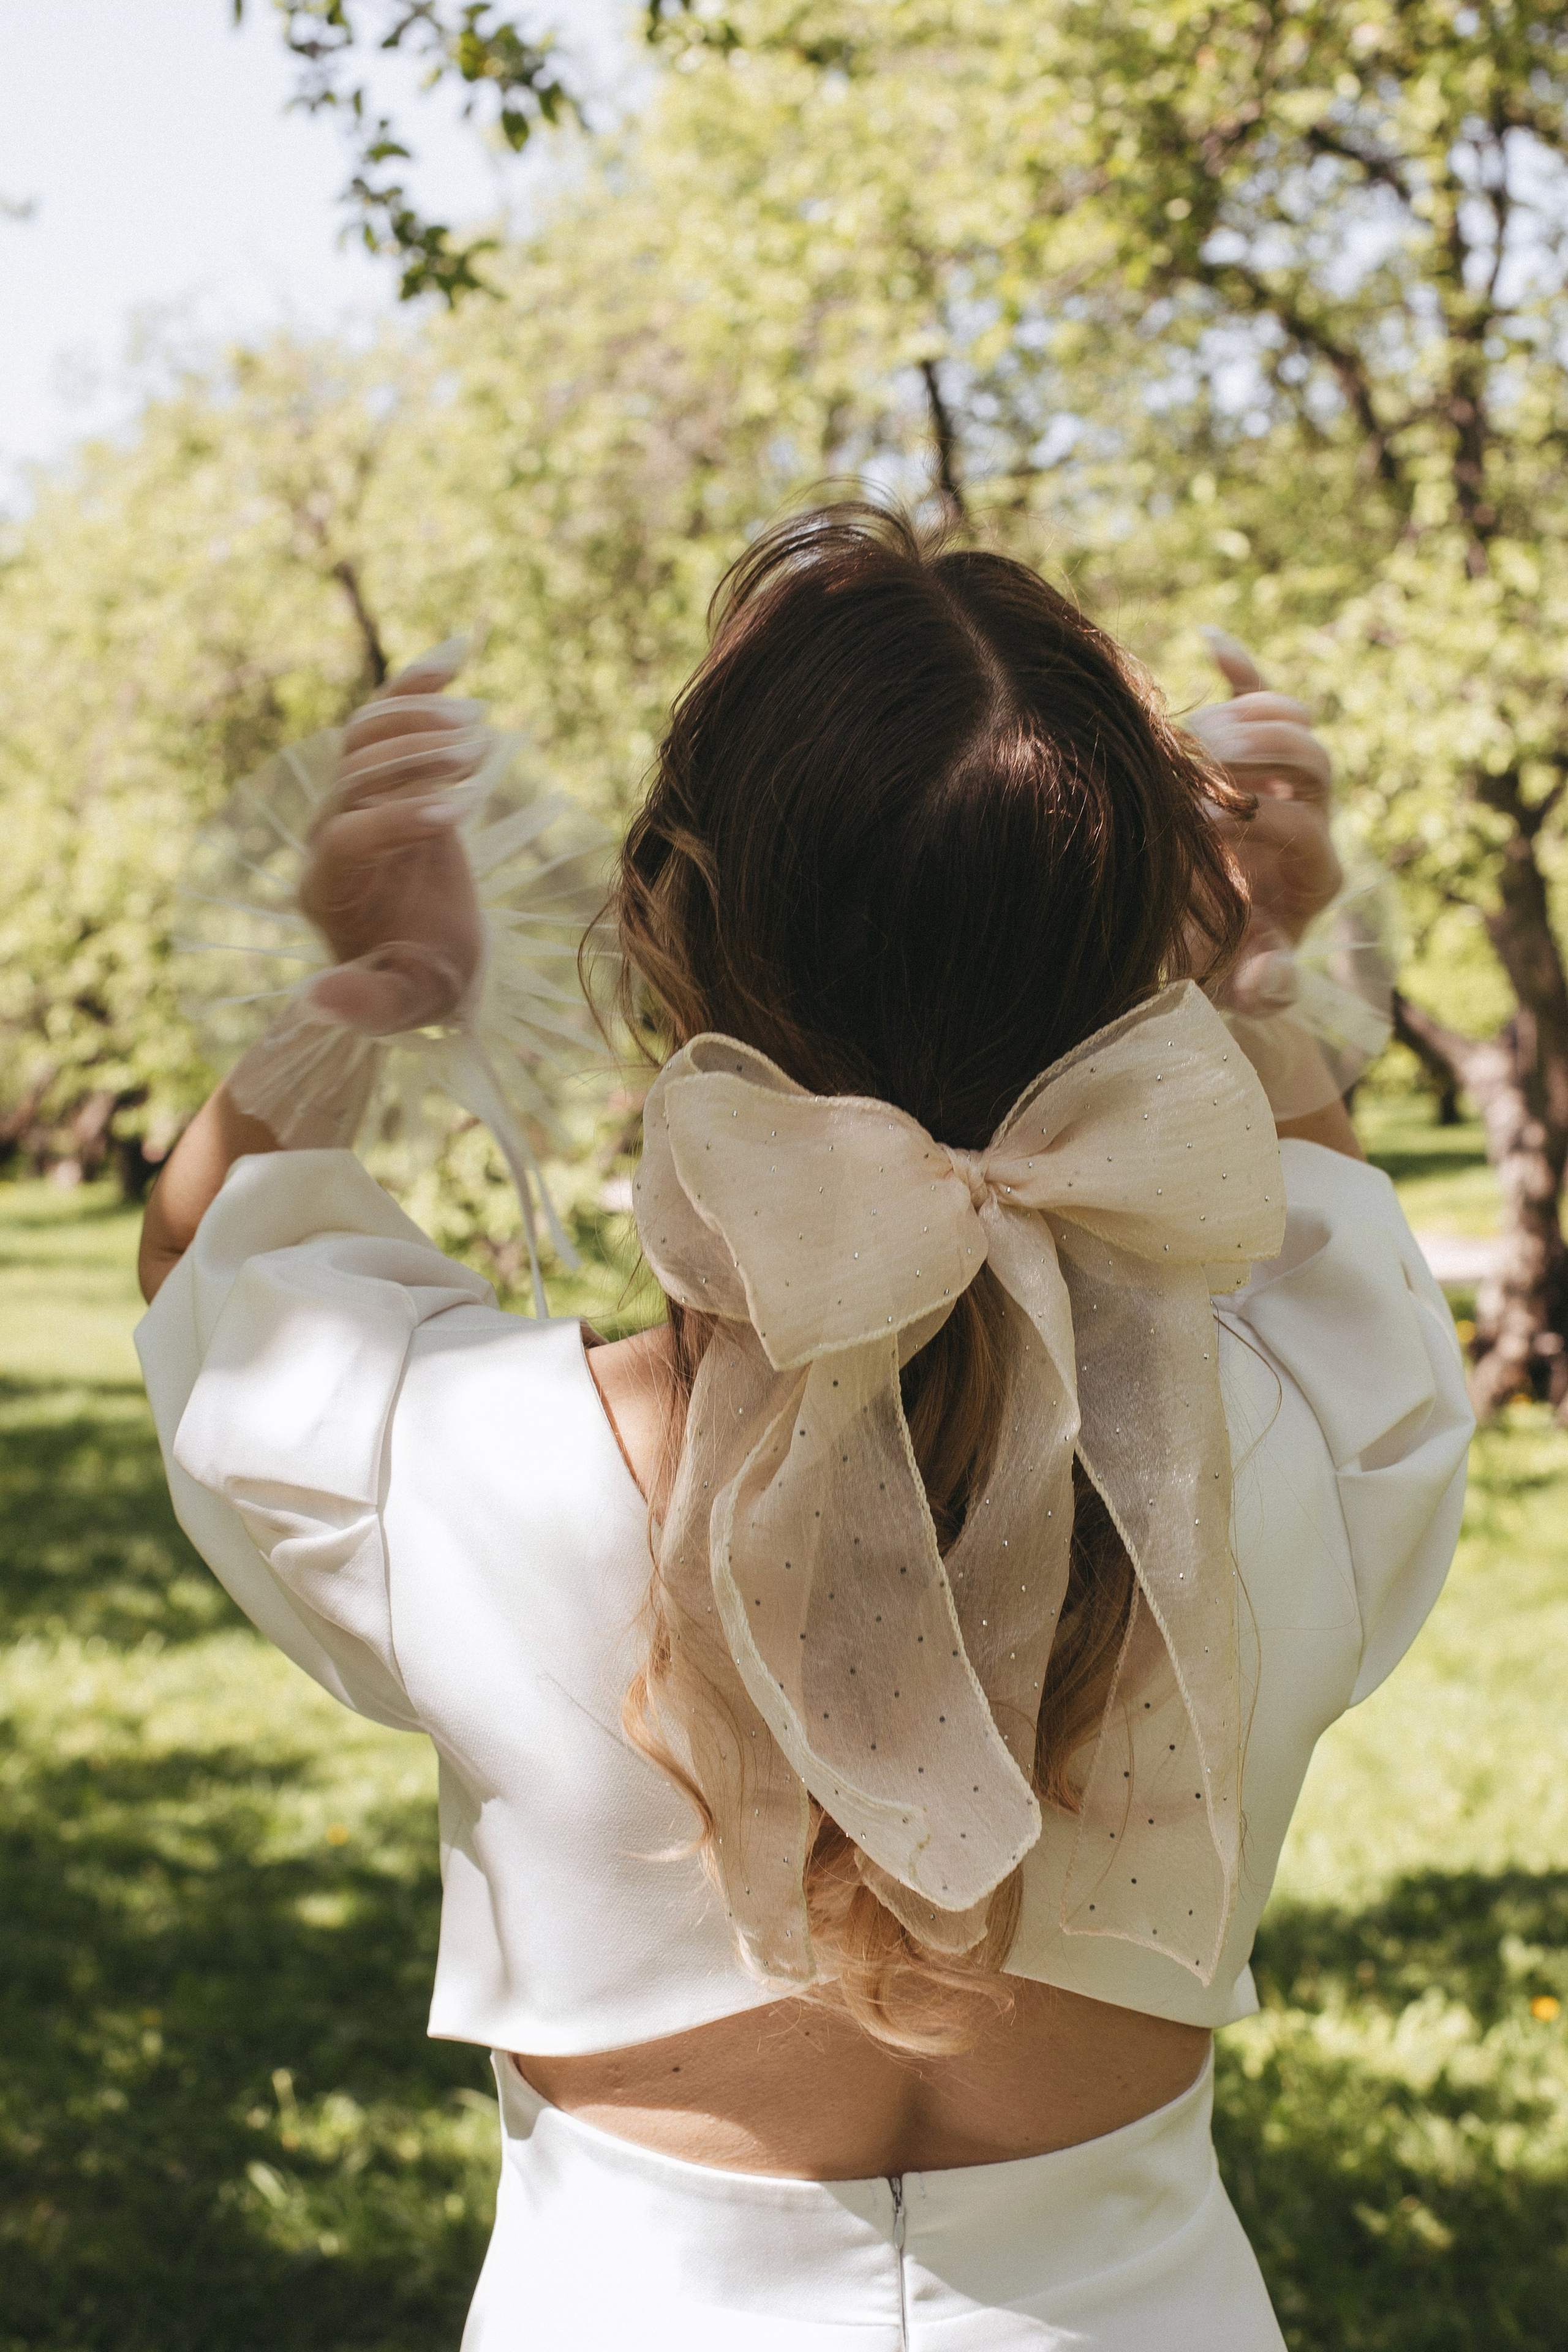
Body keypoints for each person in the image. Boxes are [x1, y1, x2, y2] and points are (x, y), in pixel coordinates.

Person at [136, 505, 1472, 2349]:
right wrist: (1261, 967)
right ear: (1147, 956)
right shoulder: (1318, 1432)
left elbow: (216, 1265)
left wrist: (380, 985)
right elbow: (1338, 1232)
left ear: (658, 930)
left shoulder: (453, 1471)